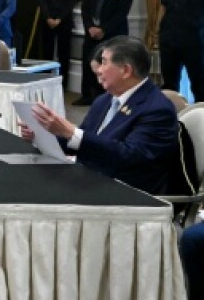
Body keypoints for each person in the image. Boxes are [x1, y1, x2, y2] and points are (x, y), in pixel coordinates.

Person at [24, 36, 185, 196]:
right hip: (90, 178)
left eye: (104, 62)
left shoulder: (157, 109)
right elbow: (84, 143)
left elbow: (129, 157)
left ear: (126, 70)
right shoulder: (105, 100)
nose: (99, 70)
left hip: (127, 194)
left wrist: (71, 132)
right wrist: (43, 135)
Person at [78, 0, 133, 105]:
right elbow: (85, 10)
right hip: (91, 33)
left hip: (112, 35)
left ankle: (106, 97)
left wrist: (103, 30)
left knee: (109, 66)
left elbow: (121, 13)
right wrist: (90, 27)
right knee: (89, 63)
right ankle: (87, 95)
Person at [158, 0, 204, 101]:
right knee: (169, 83)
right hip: (169, 40)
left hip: (194, 41)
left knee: (199, 82)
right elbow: (163, 8)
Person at [39, 0, 78, 85]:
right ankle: (44, 80)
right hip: (47, 20)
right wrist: (48, 17)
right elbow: (42, 0)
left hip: (64, 20)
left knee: (64, 53)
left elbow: (71, 0)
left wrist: (59, 18)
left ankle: (63, 82)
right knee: (47, 51)